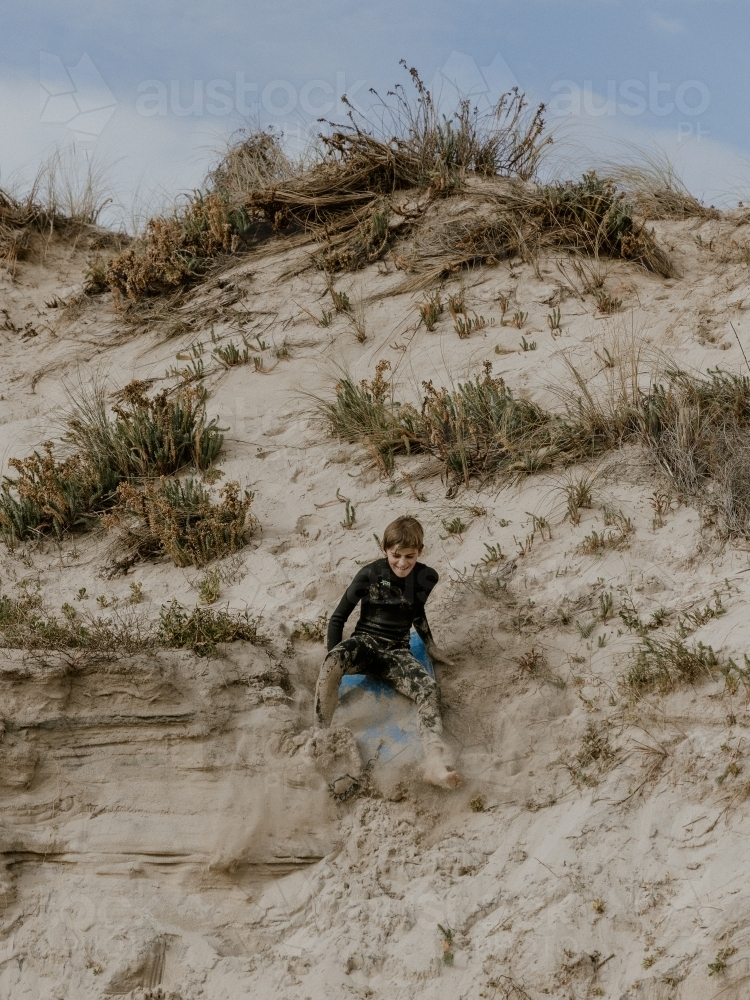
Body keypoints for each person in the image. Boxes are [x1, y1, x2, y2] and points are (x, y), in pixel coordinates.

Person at [313, 515, 461, 789]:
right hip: (364, 645)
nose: (402, 563)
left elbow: (416, 611)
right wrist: (337, 666)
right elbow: (337, 619)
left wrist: (430, 645)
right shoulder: (370, 574)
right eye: (396, 555)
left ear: (420, 552)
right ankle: (320, 738)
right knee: (332, 661)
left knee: (428, 689)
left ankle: (435, 764)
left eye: (410, 556)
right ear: (384, 550)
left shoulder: (427, 577)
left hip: (397, 652)